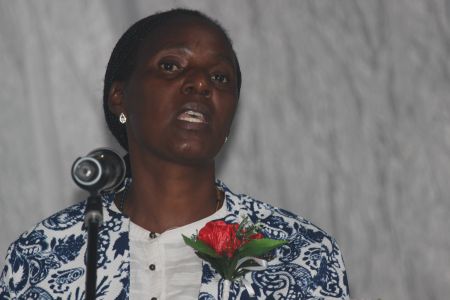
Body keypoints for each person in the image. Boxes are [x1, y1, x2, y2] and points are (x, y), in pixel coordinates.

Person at [0, 8, 349, 299]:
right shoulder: (43, 253)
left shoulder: (300, 253)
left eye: (220, 77)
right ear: (119, 96)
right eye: (170, 66)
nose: (200, 83)